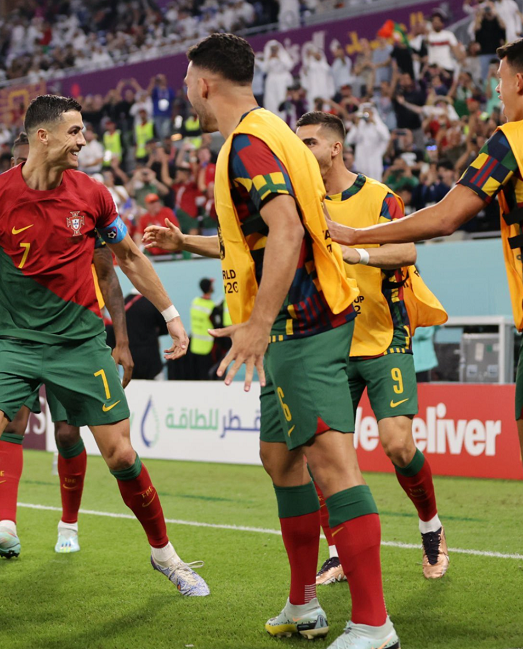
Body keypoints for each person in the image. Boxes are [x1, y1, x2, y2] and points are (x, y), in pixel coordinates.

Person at [327, 37, 523, 640]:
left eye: (499, 78)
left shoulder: (512, 139)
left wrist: (355, 233)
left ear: (519, 82)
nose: (496, 89)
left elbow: (444, 217)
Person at [0, 94, 208, 600]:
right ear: (43, 136)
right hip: (14, 343)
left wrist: (170, 315)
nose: (84, 141)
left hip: (80, 344)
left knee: (121, 454)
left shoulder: (93, 195)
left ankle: (165, 555)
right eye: (75, 132)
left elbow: (128, 257)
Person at [145, 33, 397, 648]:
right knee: (281, 459)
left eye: (187, 83)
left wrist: (258, 323)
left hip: (301, 325)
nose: (186, 95)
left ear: (204, 83)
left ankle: (374, 623)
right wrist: (185, 243)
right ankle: (303, 603)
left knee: (332, 465)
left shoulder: (248, 144)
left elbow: (287, 230)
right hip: (294, 323)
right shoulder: (274, 132)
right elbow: (259, 237)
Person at [295, 111, 450, 586]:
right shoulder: (301, 202)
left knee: (398, 445)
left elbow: (407, 251)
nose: (301, 151)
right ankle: (338, 553)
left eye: (309, 143)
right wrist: (183, 241)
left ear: (335, 148)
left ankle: (431, 528)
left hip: (385, 337)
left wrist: (355, 252)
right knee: (322, 458)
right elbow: (240, 242)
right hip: (330, 345)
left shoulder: (380, 196)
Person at [0, 132, 135, 559]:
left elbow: (109, 274)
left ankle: (69, 523)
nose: (22, 167)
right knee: (11, 424)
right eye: (17, 160)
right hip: (17, 337)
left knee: (67, 432)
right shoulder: (1, 209)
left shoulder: (81, 202)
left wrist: (121, 341)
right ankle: (6, 527)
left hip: (72, 337)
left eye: (27, 158)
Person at [189, 278, 217, 380]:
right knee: (205, 378)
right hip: (207, 347)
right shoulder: (212, 306)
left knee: (195, 377)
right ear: (210, 288)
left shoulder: (195, 302)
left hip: (194, 345)